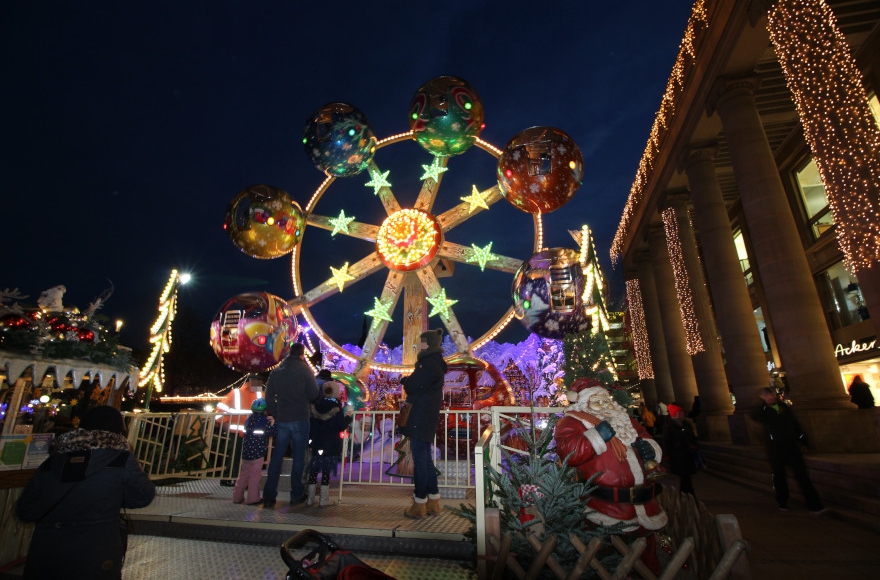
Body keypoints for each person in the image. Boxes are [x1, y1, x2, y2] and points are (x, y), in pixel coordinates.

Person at [15, 405, 155, 579]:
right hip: (97, 552)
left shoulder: (52, 462)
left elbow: (26, 510)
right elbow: (142, 496)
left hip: (46, 553)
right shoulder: (120, 459)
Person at [554, 380, 667, 533]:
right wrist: (596, 436)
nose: (602, 404)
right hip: (605, 509)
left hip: (647, 505)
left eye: (605, 400)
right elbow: (568, 452)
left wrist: (650, 448)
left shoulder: (625, 419)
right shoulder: (571, 422)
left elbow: (643, 435)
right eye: (596, 401)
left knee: (649, 551)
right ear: (584, 403)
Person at [262, 342, 321, 508]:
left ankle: (268, 496)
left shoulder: (276, 371)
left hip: (282, 419)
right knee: (298, 457)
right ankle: (296, 494)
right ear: (302, 355)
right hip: (301, 417)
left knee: (276, 458)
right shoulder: (304, 370)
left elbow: (268, 398)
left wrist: (277, 413)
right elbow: (314, 394)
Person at [752, 387, 826, 514]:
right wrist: (765, 404)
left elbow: (795, 425)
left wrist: (803, 442)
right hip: (775, 448)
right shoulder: (763, 410)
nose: (771, 397)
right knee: (779, 477)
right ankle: (782, 502)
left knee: (802, 476)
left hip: (791, 446)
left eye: (772, 395)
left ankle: (815, 505)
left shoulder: (784, 408)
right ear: (763, 397)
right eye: (767, 396)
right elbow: (756, 416)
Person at [401, 328, 447, 519]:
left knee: (420, 460)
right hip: (428, 416)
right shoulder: (436, 364)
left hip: (420, 416)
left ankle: (419, 503)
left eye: (422, 341)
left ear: (427, 343)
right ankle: (433, 501)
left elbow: (412, 385)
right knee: (425, 459)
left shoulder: (428, 364)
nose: (420, 344)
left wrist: (405, 380)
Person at [306, 380, 352, 507]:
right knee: (326, 470)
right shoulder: (336, 409)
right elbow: (340, 425)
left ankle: (310, 498)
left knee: (314, 470)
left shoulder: (315, 407)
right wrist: (348, 417)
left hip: (316, 442)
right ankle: (323, 499)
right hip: (330, 443)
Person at [232, 398, 275, 505]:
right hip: (258, 453)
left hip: (246, 453)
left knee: (243, 475)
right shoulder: (264, 421)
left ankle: (237, 497)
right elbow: (271, 432)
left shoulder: (248, 420)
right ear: (266, 410)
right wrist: (276, 425)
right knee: (255, 476)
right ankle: (253, 498)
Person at [661, 403, 698, 496]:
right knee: (684, 476)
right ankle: (687, 494)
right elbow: (666, 441)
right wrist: (666, 454)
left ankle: (686, 493)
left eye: (682, 413)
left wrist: (694, 445)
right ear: (674, 414)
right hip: (677, 454)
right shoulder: (669, 426)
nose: (681, 415)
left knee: (686, 476)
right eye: (679, 413)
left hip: (688, 453)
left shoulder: (686, 424)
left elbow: (692, 437)